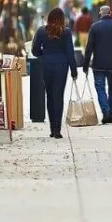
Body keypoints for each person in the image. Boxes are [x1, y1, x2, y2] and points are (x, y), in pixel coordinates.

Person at [31, 8, 79, 139]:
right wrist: (74, 70)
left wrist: (44, 55)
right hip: (62, 66)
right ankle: (57, 129)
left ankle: (52, 128)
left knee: (50, 96)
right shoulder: (66, 32)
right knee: (58, 96)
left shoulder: (42, 31)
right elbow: (70, 52)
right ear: (62, 19)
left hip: (47, 65)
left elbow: (35, 50)